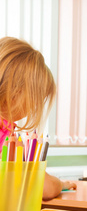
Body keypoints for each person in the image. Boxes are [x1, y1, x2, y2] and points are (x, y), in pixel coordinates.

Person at [0, 36, 76, 201]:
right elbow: (43, 187)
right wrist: (59, 183)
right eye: (35, 98)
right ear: (16, 93)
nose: (34, 107)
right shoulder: (5, 135)